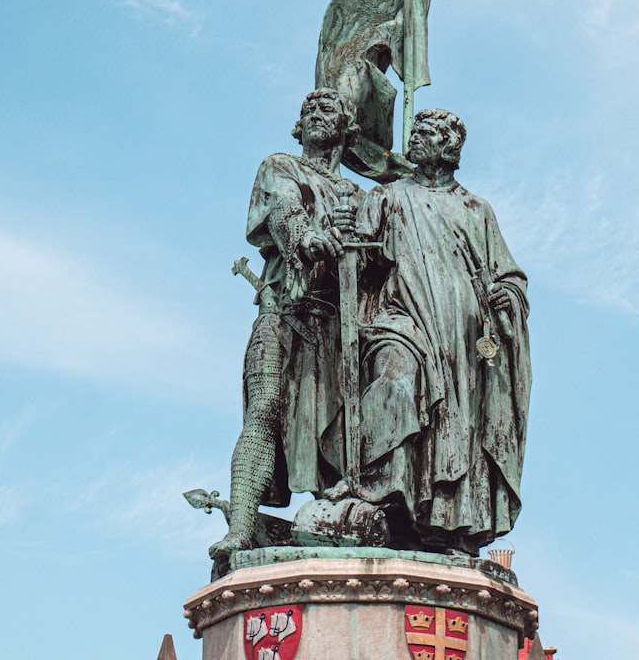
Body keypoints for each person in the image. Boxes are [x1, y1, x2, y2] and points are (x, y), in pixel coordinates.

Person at [353, 108, 531, 555]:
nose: (415, 139)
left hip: (463, 339)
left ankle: (444, 526)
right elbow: (357, 259)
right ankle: (383, 497)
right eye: (415, 132)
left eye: (427, 133)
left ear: (450, 148)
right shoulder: (387, 198)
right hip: (401, 319)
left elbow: (509, 275)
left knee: (458, 427)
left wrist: (506, 296)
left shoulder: (476, 210)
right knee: (395, 381)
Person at [210, 89, 361, 557]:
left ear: (346, 128)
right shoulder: (280, 167)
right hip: (282, 311)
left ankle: (335, 517)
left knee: (344, 424)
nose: (316, 115)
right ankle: (241, 521)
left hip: (340, 324)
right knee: (266, 407)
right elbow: (283, 212)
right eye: (308, 111)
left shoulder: (357, 194)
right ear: (299, 126)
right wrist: (308, 236)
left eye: (327, 110)